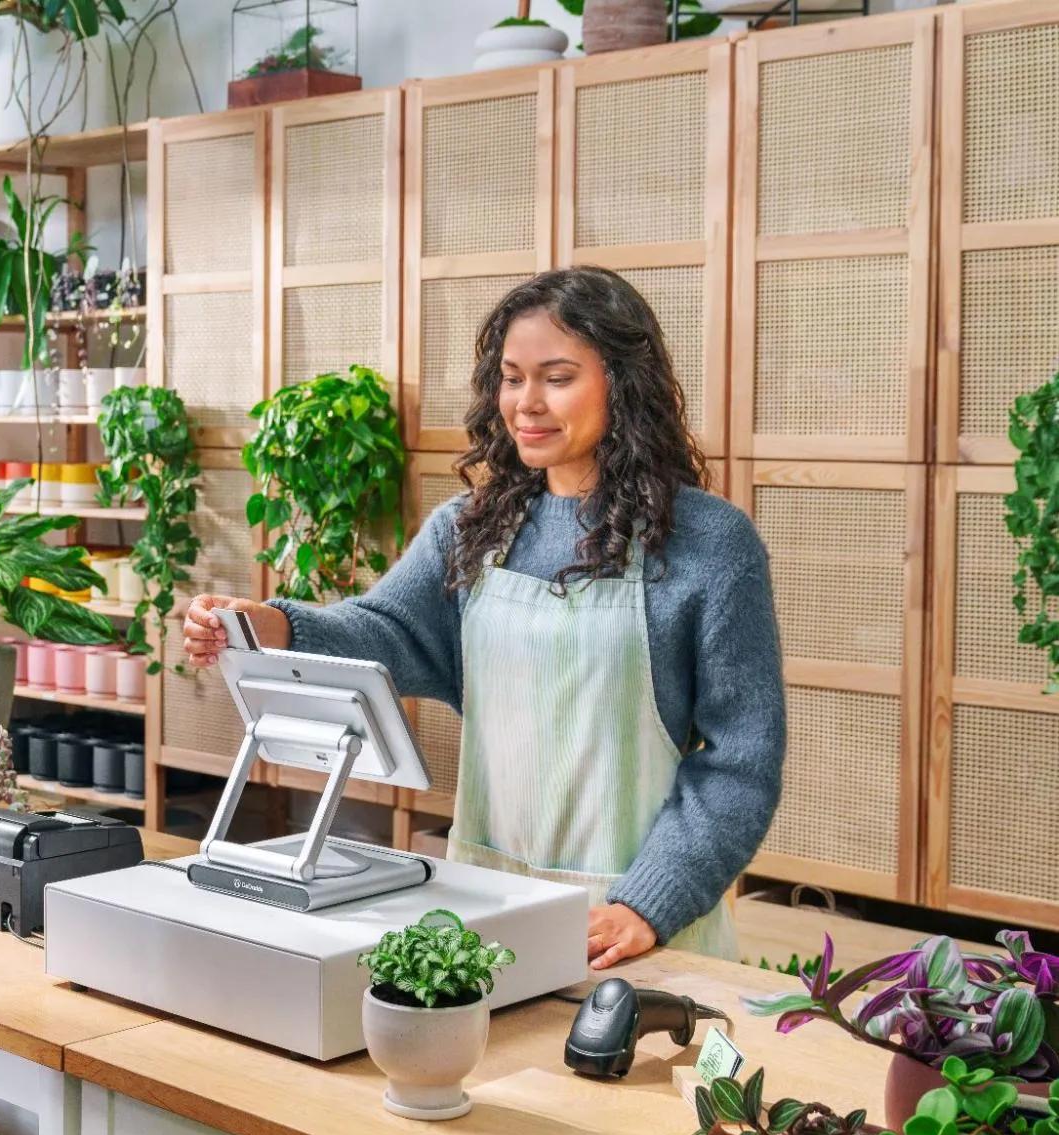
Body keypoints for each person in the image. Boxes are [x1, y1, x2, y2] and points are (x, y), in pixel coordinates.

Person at [183, 267, 784, 970]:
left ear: (623, 382)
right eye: (511, 377)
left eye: (556, 377)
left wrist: (646, 902)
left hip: (631, 928)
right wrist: (269, 626)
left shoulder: (709, 545)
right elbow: (387, 634)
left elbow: (740, 762)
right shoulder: (469, 528)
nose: (525, 403)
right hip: (485, 906)